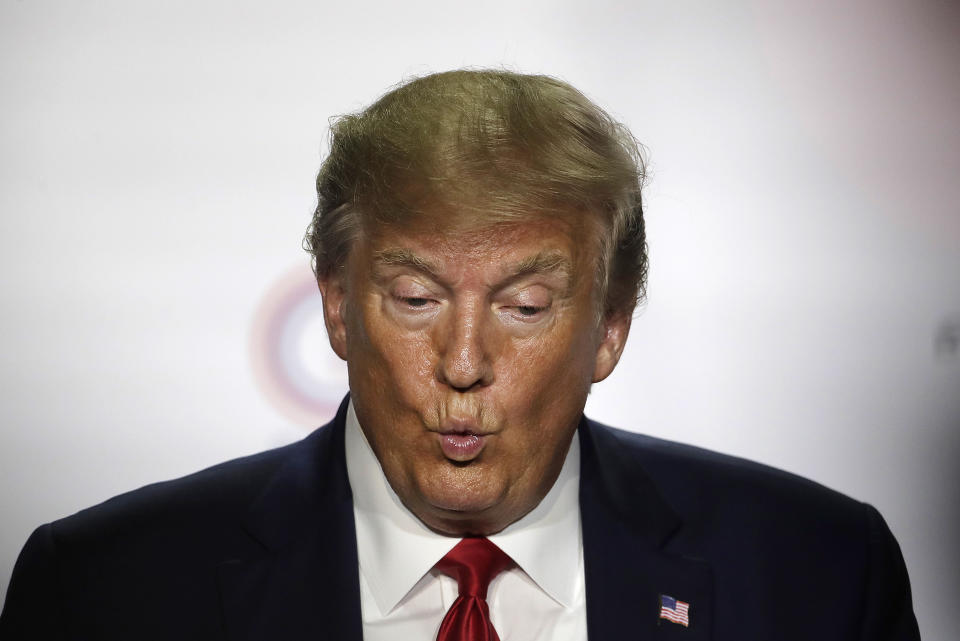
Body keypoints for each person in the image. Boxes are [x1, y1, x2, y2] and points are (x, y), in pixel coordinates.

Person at [0, 70, 920, 640]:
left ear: (609, 328)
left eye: (524, 305)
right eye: (415, 299)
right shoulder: (102, 592)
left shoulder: (820, 575)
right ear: (335, 307)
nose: (464, 361)